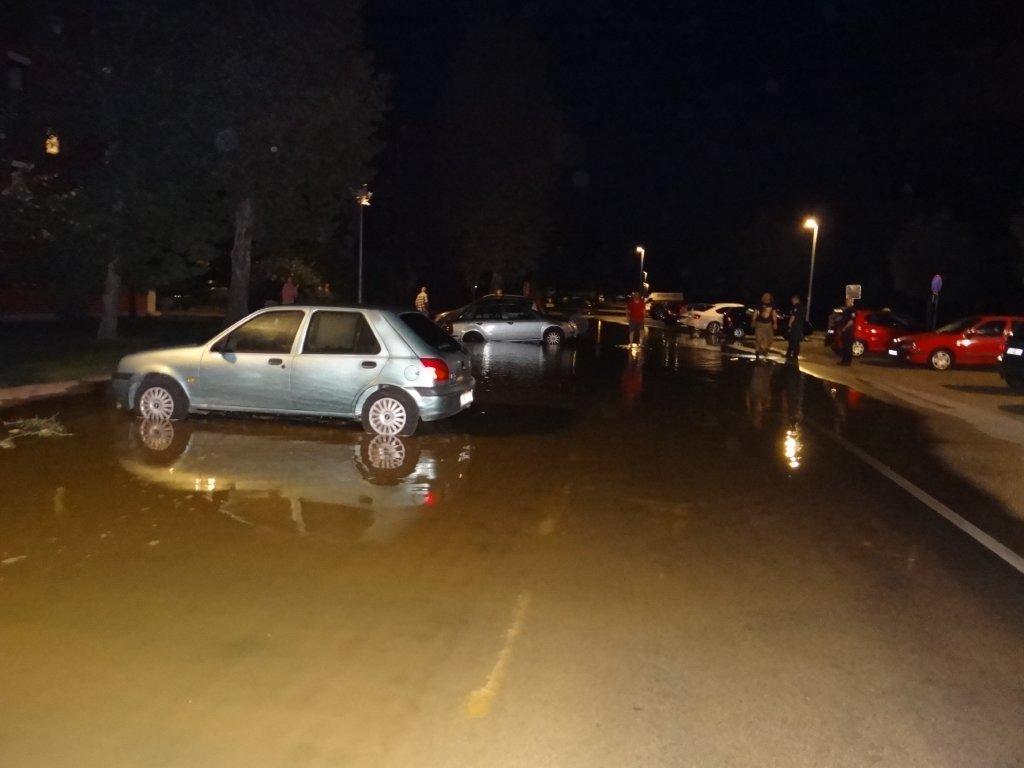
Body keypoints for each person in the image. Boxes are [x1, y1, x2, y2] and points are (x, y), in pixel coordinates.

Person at [753, 292, 777, 358]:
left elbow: (774, 314)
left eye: (768, 296)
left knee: (769, 338)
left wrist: (775, 323)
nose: (767, 297)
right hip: (760, 323)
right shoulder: (760, 303)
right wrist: (753, 321)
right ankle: (757, 350)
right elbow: (755, 312)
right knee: (758, 337)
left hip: (768, 323)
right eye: (765, 296)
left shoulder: (772, 304)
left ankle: (764, 348)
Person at [786, 293, 805, 361]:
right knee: (796, 341)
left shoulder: (796, 307)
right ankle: (794, 354)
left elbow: (793, 317)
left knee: (793, 340)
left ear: (795, 299)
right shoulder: (802, 307)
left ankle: (791, 354)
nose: (792, 302)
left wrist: (789, 325)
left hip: (795, 326)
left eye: (792, 300)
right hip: (799, 326)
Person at [838, 298, 856, 366]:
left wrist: (844, 328)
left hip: (848, 332)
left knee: (848, 347)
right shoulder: (847, 310)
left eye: (848, 301)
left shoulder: (852, 310)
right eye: (846, 301)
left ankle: (847, 362)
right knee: (845, 347)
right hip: (845, 331)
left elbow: (851, 321)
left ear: (851, 302)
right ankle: (844, 361)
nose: (846, 302)